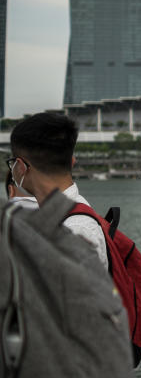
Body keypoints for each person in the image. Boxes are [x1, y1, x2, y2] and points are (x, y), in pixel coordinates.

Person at [8, 113, 107, 270]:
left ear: (20, 167)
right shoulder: (69, 214)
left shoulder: (74, 229)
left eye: (11, 163)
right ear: (72, 161)